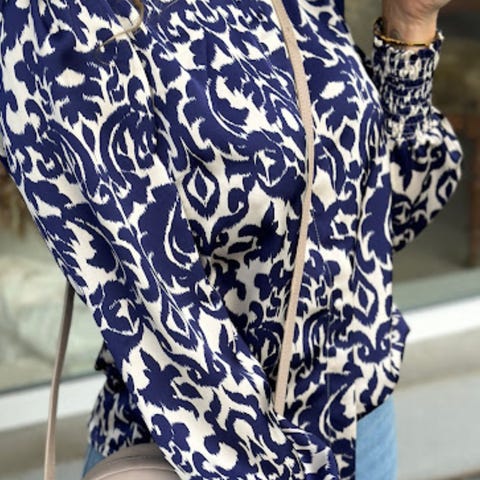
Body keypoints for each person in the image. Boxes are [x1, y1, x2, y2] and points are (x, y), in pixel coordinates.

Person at [0, 0, 461, 478]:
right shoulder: (62, 13)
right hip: (211, 450)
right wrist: (281, 464)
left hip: (363, 415)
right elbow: (162, 306)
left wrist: (410, 23)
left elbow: (379, 220)